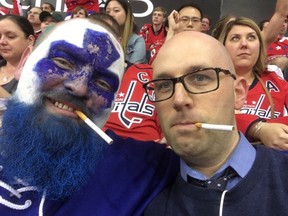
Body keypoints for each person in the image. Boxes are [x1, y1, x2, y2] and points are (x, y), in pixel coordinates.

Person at [0, 17, 179, 215]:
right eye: (63, 62)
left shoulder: (137, 167)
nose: (79, 88)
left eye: (103, 84)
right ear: (24, 62)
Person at [143, 30, 288, 216]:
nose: (178, 99)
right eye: (164, 85)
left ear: (238, 94)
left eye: (200, 78)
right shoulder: (147, 200)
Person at [217, 17, 288, 150]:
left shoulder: (275, 81)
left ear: (260, 46)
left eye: (251, 38)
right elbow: (209, 122)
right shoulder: (210, 84)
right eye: (235, 38)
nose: (244, 44)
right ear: (223, 46)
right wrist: (259, 129)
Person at [0, 14, 35, 97]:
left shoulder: (37, 75)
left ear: (30, 40)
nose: (2, 41)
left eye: (10, 36)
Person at [105, 0, 146, 64]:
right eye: (108, 12)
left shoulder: (137, 41)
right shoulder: (100, 38)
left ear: (127, 14)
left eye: (116, 10)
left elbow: (132, 69)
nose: (111, 14)